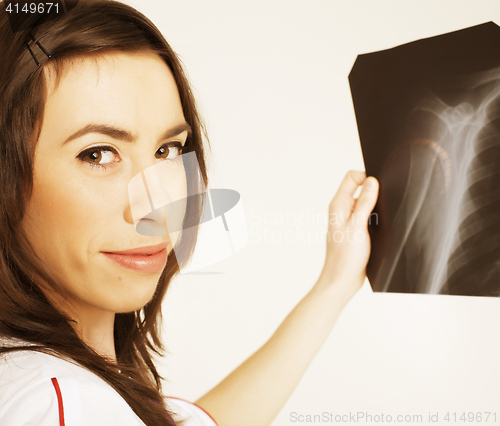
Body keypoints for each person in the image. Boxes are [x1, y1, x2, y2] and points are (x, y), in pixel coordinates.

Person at [0, 1, 379, 425]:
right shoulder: (61, 401)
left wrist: (335, 283)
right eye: (98, 154)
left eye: (168, 150)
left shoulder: (44, 382)